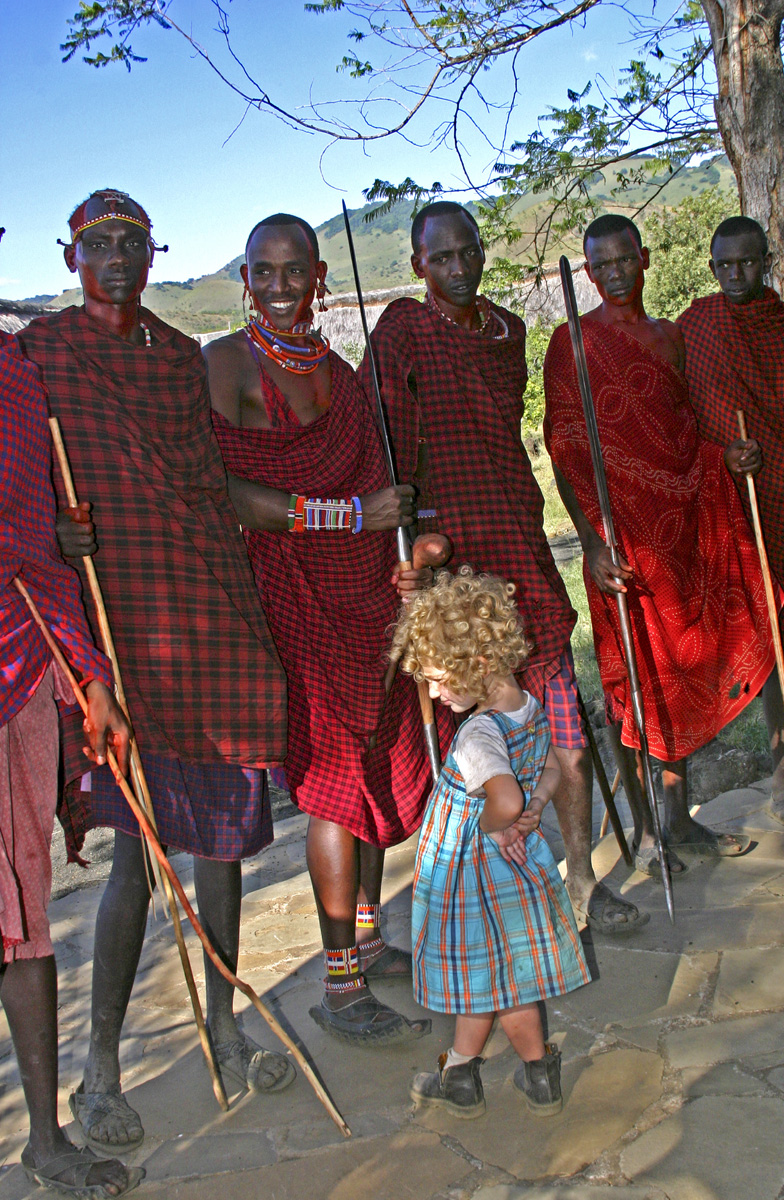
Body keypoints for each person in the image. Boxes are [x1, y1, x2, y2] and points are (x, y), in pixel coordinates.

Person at [19, 190, 293, 1154]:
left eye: (135, 242)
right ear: (70, 256)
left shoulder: (181, 359)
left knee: (219, 838)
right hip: (117, 626)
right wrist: (55, 527)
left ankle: (223, 1023)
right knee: (136, 852)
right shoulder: (41, 354)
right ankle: (101, 1071)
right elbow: (22, 476)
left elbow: (205, 477)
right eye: (101, 244)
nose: (121, 258)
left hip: (202, 603)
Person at [363, 201, 646, 937]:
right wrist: (411, 546)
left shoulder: (507, 332)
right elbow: (384, 440)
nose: (459, 268)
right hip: (450, 558)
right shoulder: (402, 329)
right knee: (462, 743)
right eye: (442, 257)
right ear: (419, 264)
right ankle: (476, 899)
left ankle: (582, 881)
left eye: (469, 253)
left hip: (516, 536)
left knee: (564, 729)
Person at [205, 213, 444, 1046]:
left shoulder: (340, 377)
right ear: (244, 277)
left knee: (374, 764)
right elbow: (224, 491)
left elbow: (384, 484)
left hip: (365, 595)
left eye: (293, 271)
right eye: (261, 271)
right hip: (292, 595)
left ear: (318, 279)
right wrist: (347, 514)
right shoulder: (227, 364)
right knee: (338, 784)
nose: (277, 288)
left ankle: (371, 942)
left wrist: (404, 551)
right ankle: (339, 987)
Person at [544, 213, 774, 873]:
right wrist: (589, 542)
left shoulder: (669, 338)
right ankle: (645, 834)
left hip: (678, 534)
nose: (614, 272)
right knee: (635, 684)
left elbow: (683, 433)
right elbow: (565, 451)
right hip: (620, 541)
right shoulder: (572, 343)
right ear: (587, 272)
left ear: (644, 259)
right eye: (600, 264)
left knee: (678, 678)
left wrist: (726, 455)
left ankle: (678, 823)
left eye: (624, 259)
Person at [0, 314, 140, 1196]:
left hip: (18, 666)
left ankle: (47, 1142)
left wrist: (91, 677)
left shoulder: (17, 373)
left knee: (22, 908)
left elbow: (43, 546)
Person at [390, 568, 590, 1118]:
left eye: (436, 679)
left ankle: (458, 1074)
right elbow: (549, 768)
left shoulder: (479, 733)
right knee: (509, 975)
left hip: (471, 871)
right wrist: (533, 813)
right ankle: (536, 1075)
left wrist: (502, 821)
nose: (432, 692)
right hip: (514, 869)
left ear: (476, 665)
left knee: (478, 975)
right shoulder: (527, 707)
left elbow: (499, 797)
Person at [678, 216, 784, 827]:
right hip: (734, 507)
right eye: (724, 265)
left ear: (767, 261)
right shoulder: (697, 327)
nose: (735, 275)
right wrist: (724, 454)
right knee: (770, 634)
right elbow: (683, 418)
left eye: (747, 263)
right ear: (711, 265)